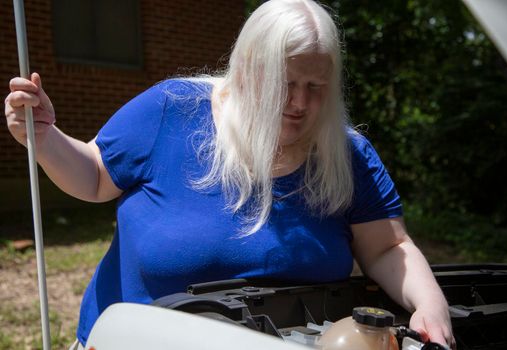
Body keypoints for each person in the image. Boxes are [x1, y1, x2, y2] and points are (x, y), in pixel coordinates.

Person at [4, 0, 455, 348]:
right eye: (285, 84)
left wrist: (430, 304)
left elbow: (389, 247)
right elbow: (95, 176)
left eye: (315, 87)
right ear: (246, 71)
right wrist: (45, 138)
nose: (299, 103)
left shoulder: (348, 153)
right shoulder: (172, 109)